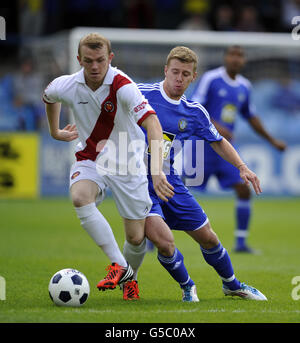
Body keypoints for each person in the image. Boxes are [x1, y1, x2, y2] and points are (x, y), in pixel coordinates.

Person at [122, 46, 267, 302]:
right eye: (175, 72)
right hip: (137, 182)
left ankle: (231, 285)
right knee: (164, 242)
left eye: (185, 74)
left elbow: (218, 141)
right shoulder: (140, 95)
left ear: (193, 77)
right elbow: (108, 107)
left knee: (208, 237)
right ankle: (188, 286)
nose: (179, 78)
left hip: (169, 180)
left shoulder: (194, 112)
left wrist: (242, 167)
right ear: (165, 71)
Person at [43, 33, 174, 299]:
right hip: (91, 157)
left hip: (128, 162)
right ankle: (120, 265)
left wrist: (157, 170)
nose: (94, 67)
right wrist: (54, 131)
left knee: (136, 238)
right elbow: (48, 96)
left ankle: (130, 277)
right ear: (78, 59)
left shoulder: (123, 85)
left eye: (100, 60)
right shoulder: (67, 84)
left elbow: (153, 124)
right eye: (88, 61)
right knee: (80, 197)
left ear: (110, 58)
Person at [189, 45, 286, 253]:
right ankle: (154, 239)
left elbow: (251, 116)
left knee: (243, 189)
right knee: (175, 189)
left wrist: (272, 140)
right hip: (203, 147)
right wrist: (218, 126)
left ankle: (241, 243)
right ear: (225, 58)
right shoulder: (211, 79)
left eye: (239, 56)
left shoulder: (244, 86)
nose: (235, 59)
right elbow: (195, 106)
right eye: (232, 54)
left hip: (225, 151)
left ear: (244, 61)